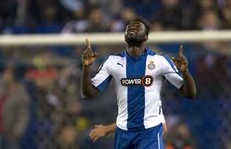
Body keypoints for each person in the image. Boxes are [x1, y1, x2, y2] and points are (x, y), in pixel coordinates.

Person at [80, 17, 196, 149]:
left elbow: (189, 93)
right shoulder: (112, 62)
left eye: (137, 28)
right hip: (124, 133)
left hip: (150, 132)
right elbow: (88, 94)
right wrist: (86, 67)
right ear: (124, 36)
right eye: (129, 27)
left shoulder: (160, 61)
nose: (132, 29)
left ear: (146, 37)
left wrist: (185, 72)